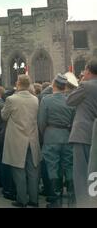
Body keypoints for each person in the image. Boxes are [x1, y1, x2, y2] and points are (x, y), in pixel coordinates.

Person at [2, 74, 41, 207]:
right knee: (32, 170)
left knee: (18, 170)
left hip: (17, 137)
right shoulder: (35, 99)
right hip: (32, 137)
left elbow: (4, 115)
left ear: (18, 83)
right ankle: (34, 199)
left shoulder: (11, 99)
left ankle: (22, 199)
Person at [38, 74, 76, 207]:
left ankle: (55, 200)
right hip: (67, 136)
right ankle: (72, 199)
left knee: (52, 167)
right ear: (65, 86)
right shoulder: (71, 100)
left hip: (51, 135)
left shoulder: (46, 100)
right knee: (69, 166)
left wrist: (45, 134)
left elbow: (41, 122)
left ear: (53, 85)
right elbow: (73, 121)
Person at [67, 58, 97, 207]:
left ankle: (85, 205)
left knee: (80, 174)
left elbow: (70, 100)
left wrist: (80, 82)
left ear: (89, 71)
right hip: (95, 134)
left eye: (85, 70)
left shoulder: (86, 86)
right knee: (94, 174)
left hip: (83, 135)